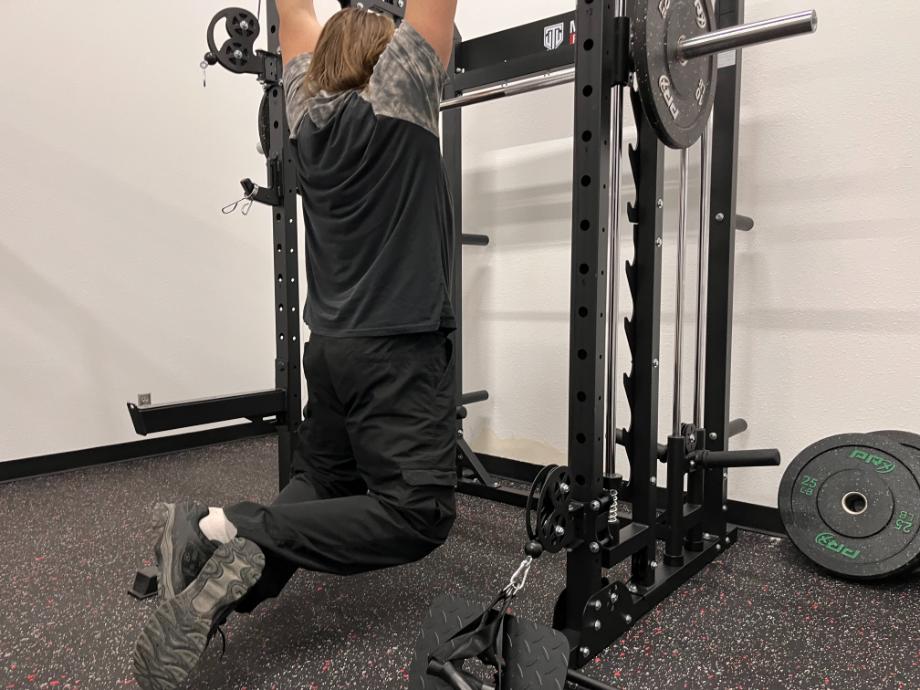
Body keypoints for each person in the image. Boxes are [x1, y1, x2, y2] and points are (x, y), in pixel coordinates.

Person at [132, 1, 460, 687]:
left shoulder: (307, 111)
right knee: (418, 513)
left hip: (333, 348)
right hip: (396, 351)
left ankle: (215, 569)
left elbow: (295, 11)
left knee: (325, 482)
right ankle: (223, 525)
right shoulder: (402, 91)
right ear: (386, 54)